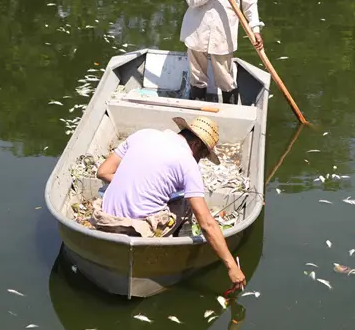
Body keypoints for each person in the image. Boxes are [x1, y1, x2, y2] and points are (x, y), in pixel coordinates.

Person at [92, 115, 246, 293]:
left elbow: (103, 171)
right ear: (196, 145)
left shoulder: (142, 135)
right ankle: (179, 248)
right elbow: (207, 223)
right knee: (188, 202)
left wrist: (137, 182)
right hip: (138, 231)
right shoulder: (188, 163)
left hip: (106, 220)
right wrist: (231, 266)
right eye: (202, 156)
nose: (199, 160)